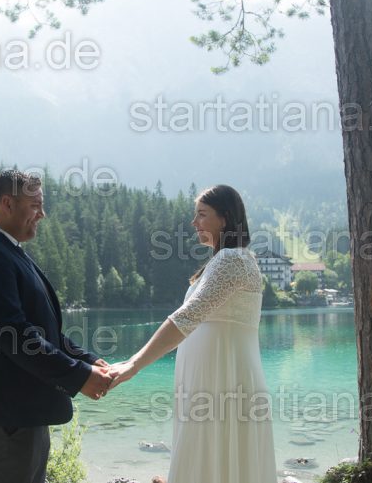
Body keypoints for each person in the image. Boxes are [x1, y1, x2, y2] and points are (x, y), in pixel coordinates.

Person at [0, 169, 115, 483]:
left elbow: (41, 330)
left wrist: (88, 361)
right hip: (4, 417)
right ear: (7, 204)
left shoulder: (5, 250)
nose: (42, 214)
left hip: (21, 414)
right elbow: (14, 336)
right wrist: (79, 376)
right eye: (35, 205)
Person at [110, 185, 277, 483]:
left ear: (224, 218)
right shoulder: (229, 260)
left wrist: (134, 364)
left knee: (213, 459)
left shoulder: (232, 260)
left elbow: (187, 317)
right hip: (216, 380)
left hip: (221, 382)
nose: (194, 222)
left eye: (201, 214)